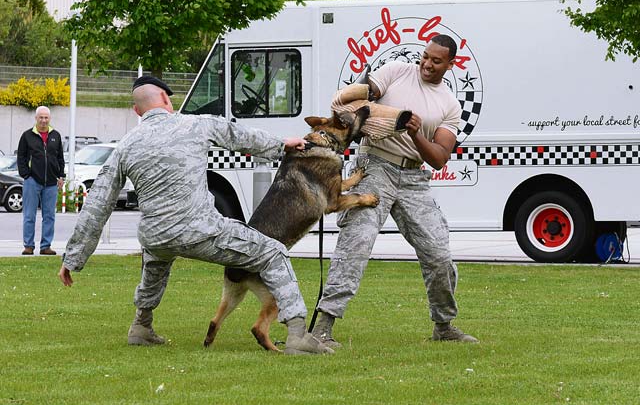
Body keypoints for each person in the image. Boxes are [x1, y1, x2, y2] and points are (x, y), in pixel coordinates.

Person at [58, 75, 333, 355]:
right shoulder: (195, 124)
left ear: (137, 111)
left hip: (156, 235)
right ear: (166, 99)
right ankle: (297, 334)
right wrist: (282, 144)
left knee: (155, 261)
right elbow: (240, 136)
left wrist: (73, 258)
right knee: (273, 252)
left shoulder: (125, 147)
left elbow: (97, 203)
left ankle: (141, 326)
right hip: (201, 230)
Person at [311, 34, 478, 347]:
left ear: (450, 64)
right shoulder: (397, 70)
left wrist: (415, 134)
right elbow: (370, 90)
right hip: (374, 166)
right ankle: (323, 327)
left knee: (439, 254)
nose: (427, 64)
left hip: (415, 178)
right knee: (356, 242)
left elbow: (439, 158)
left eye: (436, 60)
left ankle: (444, 327)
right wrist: (353, 93)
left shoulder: (449, 104)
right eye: (425, 56)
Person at [17, 106, 65, 256]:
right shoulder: (27, 136)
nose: (43, 120)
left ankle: (46, 246)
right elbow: (21, 157)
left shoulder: (56, 136)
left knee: (49, 216)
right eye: (41, 117)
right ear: (36, 118)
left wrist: (61, 176)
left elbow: (60, 158)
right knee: (29, 215)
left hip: (51, 182)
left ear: (49, 119)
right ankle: (28, 246)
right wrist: (26, 175)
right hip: (32, 181)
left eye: (46, 117)